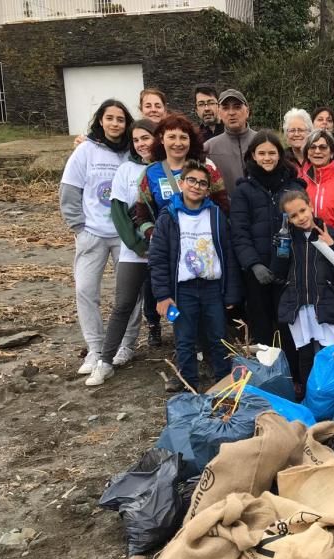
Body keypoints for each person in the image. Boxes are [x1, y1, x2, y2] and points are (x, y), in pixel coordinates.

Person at [133, 113, 228, 351]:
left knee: (205, 307)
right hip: (170, 250)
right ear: (161, 140)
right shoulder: (150, 174)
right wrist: (153, 235)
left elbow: (223, 206)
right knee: (179, 306)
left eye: (183, 137)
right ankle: (186, 354)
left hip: (203, 250)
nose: (178, 142)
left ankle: (206, 352)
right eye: (171, 136)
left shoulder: (206, 168)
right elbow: (141, 215)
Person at [149, 160, 242, 391]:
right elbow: (158, 259)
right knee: (185, 340)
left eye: (202, 183)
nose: (196, 186)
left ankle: (223, 384)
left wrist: (231, 292)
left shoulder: (216, 215)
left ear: (207, 189)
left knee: (218, 338)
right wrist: (162, 295)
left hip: (212, 287)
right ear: (181, 183)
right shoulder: (168, 217)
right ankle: (189, 385)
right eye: (191, 180)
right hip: (183, 290)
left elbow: (227, 254)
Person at [59, 99, 134, 375]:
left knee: (128, 294)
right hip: (92, 233)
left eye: (120, 119)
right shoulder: (85, 151)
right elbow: (69, 192)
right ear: (100, 120)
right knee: (85, 290)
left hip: (124, 235)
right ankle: (95, 347)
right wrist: (78, 227)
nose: (115, 123)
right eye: (110, 118)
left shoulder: (130, 153)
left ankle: (126, 344)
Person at [85, 118, 157, 386]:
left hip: (164, 248)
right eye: (136, 140)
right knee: (124, 302)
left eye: (146, 138)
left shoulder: (165, 167)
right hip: (134, 249)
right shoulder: (126, 170)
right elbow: (118, 213)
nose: (141, 144)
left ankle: (194, 349)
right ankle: (105, 360)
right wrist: (139, 245)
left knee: (180, 300)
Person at [229, 130, 306, 349]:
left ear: (280, 155)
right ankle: (268, 374)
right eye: (261, 153)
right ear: (253, 155)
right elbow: (239, 232)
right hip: (257, 272)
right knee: (262, 327)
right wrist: (253, 264)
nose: (267, 158)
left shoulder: (293, 187)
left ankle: (294, 377)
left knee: (290, 326)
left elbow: (303, 226)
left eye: (272, 153)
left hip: (289, 270)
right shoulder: (243, 190)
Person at [276, 190, 334, 391]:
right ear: (287, 220)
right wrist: (280, 251)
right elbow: (278, 273)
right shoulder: (287, 238)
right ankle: (310, 397)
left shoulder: (328, 231)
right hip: (298, 305)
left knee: (331, 353)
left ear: (311, 206)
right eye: (294, 216)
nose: (301, 217)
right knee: (304, 354)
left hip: (324, 302)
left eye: (303, 210)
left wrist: (333, 247)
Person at [205, 89, 257, 191]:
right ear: (219, 114)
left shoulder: (263, 142)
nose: (231, 113)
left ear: (247, 111)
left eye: (237, 107)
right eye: (225, 108)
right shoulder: (209, 148)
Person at [301, 129, 334, 229]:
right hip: (305, 242)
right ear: (307, 153)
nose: (317, 151)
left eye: (323, 147)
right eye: (312, 147)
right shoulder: (300, 183)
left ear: (332, 153)